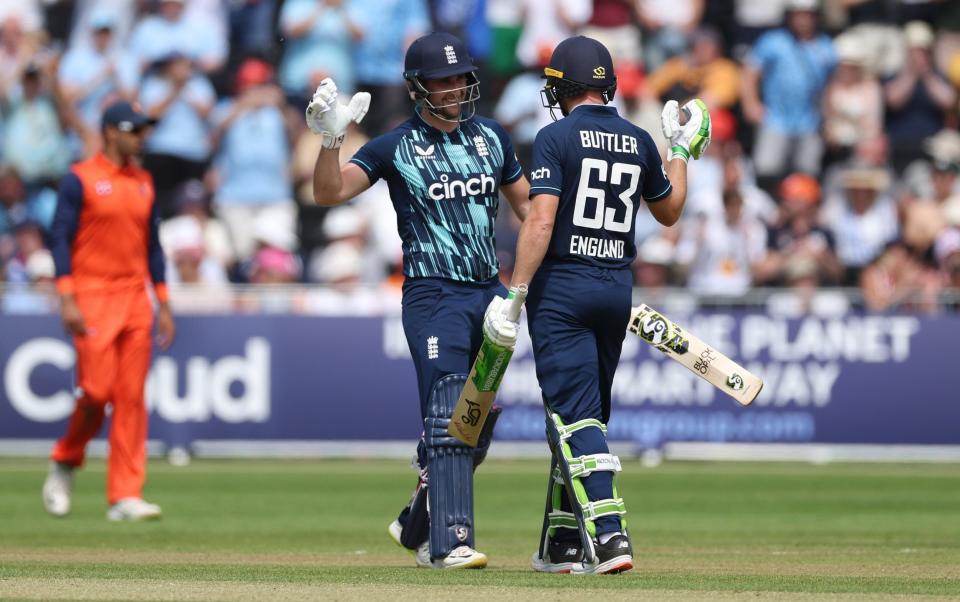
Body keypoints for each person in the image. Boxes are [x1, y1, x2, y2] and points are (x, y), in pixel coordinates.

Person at [307, 32, 530, 568]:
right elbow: (328, 193)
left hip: (489, 293)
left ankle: (417, 518)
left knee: (478, 419)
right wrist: (331, 142)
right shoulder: (393, 146)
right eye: (442, 81)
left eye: (460, 78)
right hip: (432, 295)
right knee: (448, 411)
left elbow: (532, 212)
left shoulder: (492, 138)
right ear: (416, 88)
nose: (455, 89)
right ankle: (448, 542)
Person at [494, 35, 709, 574]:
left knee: (573, 416)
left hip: (563, 288)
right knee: (581, 417)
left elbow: (540, 219)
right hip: (616, 288)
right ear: (608, 85)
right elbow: (670, 212)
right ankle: (561, 542)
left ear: (562, 88)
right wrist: (679, 152)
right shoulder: (638, 139)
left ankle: (610, 538)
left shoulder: (553, 136)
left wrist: (515, 292)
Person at [42, 100, 175, 521]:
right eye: (133, 129)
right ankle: (66, 457)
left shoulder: (145, 182)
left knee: (131, 398)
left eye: (143, 129)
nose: (141, 137)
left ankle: (125, 495)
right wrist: (66, 295)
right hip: (92, 297)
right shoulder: (79, 179)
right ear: (110, 132)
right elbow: (59, 238)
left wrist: (164, 302)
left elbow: (153, 247)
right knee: (96, 394)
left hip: (136, 300)